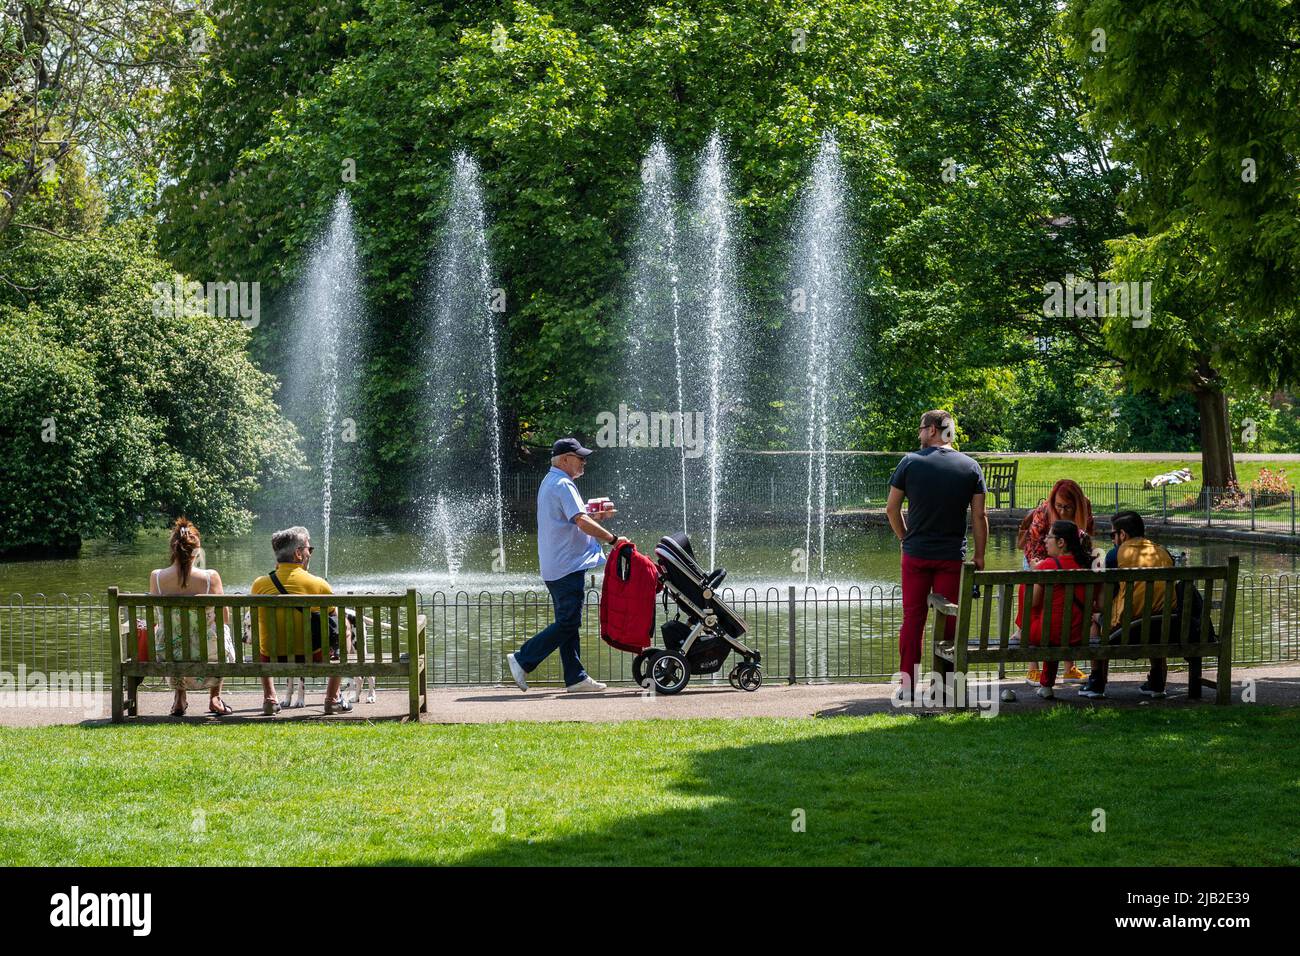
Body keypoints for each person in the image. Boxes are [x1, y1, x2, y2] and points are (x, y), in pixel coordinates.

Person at [885, 410, 988, 698]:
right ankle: (945, 686)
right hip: (951, 558)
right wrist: (979, 556)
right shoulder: (970, 467)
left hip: (916, 556)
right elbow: (979, 517)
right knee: (951, 619)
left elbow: (891, 509)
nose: (918, 435)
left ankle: (907, 686)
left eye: (921, 429)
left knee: (913, 620)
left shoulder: (910, 463)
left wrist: (905, 538)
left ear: (932, 430)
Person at [507, 438, 618, 694]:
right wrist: (611, 538)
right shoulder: (563, 484)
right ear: (565, 459)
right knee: (568, 623)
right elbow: (580, 521)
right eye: (580, 458)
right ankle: (523, 659)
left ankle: (575, 677)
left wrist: (595, 517)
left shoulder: (551, 481)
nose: (584, 462)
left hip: (556, 565)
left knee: (567, 622)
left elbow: (575, 518)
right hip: (566, 565)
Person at [250, 526, 351, 715]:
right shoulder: (319, 584)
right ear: (298, 553)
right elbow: (334, 620)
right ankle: (332, 698)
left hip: (271, 655)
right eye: (308, 549)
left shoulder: (259, 585)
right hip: (312, 654)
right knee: (343, 625)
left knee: (262, 632)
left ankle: (270, 698)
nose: (310, 554)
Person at [1080, 510, 1176, 700]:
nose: (1113, 540)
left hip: (1127, 630)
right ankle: (1157, 681)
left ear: (1123, 534)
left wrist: (1097, 612)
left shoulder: (1117, 555)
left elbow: (1104, 602)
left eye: (1112, 535)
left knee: (1095, 619)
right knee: (1154, 615)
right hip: (1165, 629)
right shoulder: (1164, 553)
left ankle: (1096, 681)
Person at [149, 518, 237, 717]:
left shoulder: (156, 577)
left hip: (171, 651)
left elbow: (159, 615)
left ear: (173, 549)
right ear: (196, 550)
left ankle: (180, 697)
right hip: (209, 652)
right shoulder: (210, 577)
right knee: (220, 632)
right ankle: (215, 697)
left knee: (169, 631)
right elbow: (224, 618)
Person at [1017, 479, 1095, 683]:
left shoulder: (1085, 507)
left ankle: (1069, 668)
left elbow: (1087, 538)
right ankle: (1033, 668)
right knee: (1041, 607)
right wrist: (1040, 567)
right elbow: (1035, 542)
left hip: (1065, 562)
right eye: (1058, 506)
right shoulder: (1044, 510)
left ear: (1077, 505)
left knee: (1063, 609)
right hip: (1040, 561)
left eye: (1067, 507)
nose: (1061, 510)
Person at [1011, 520, 1093, 699]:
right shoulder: (1087, 565)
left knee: (1028, 589)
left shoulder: (1048, 565)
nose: (1044, 541)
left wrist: (1034, 573)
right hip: (1078, 634)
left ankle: (1020, 631)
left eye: (1049, 537)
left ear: (1061, 543)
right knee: (1053, 620)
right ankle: (1046, 685)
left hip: (1049, 634)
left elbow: (1032, 602)